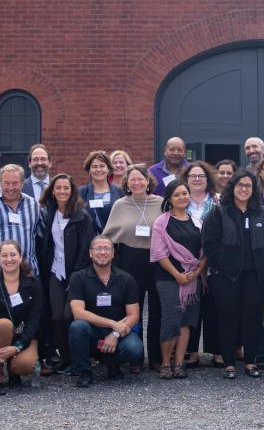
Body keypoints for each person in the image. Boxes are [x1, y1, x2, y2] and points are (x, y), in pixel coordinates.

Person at [202, 170, 264, 379]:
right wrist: (223, 263)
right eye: (240, 185)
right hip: (225, 275)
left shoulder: (262, 213)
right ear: (232, 188)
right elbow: (209, 243)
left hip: (254, 275)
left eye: (248, 186)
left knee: (251, 317)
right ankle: (229, 364)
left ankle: (251, 362)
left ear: (254, 190)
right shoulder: (219, 212)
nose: (244, 189)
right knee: (228, 317)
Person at [102, 165, 164, 372]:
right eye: (132, 180)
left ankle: (156, 356)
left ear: (148, 181)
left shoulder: (161, 203)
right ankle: (136, 358)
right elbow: (108, 235)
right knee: (131, 310)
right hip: (129, 261)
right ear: (127, 183)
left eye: (141, 179)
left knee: (157, 310)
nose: (137, 183)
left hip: (156, 260)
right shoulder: (120, 204)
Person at [36, 173, 95, 374]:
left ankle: (80, 359)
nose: (62, 191)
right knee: (56, 317)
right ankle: (65, 358)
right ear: (52, 191)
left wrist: (76, 275)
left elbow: (85, 247)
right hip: (55, 271)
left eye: (66, 188)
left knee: (72, 316)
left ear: (72, 192)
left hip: (76, 273)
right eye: (58, 188)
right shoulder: (49, 212)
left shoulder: (82, 216)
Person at [67, 235, 143, 387]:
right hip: (92, 333)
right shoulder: (78, 277)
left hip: (119, 335)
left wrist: (114, 334)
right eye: (98, 248)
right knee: (77, 327)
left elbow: (134, 315)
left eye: (107, 248)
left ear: (113, 253)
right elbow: (78, 313)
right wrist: (113, 325)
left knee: (135, 348)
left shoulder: (126, 279)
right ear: (90, 253)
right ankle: (84, 372)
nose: (103, 252)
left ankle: (112, 364)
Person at [151, 180, 206, 379]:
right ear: (170, 199)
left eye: (185, 193)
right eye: (177, 195)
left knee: (186, 321)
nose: (182, 197)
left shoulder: (197, 222)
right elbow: (159, 254)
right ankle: (166, 363)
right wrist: (177, 275)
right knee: (171, 321)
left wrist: (197, 270)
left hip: (193, 279)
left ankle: (180, 363)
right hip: (168, 278)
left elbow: (204, 250)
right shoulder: (162, 222)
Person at [0, 240, 43, 395]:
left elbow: (35, 319)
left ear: (20, 257)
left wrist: (18, 346)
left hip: (22, 336)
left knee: (25, 365)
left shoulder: (33, 284)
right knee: (4, 325)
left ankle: (14, 371)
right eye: (4, 255)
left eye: (13, 254)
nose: (9, 259)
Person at [183, 160, 221, 367]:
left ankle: (216, 350)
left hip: (213, 262)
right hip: (186, 263)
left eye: (201, 176)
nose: (197, 180)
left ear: (208, 180)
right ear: (186, 180)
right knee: (191, 305)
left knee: (214, 307)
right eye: (192, 176)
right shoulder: (179, 201)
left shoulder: (218, 201)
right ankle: (191, 351)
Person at [79, 150, 124, 232]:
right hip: (88, 241)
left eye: (102, 166)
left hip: (115, 241)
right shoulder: (80, 192)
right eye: (94, 167)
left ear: (108, 169)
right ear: (89, 170)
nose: (98, 169)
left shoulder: (120, 192)